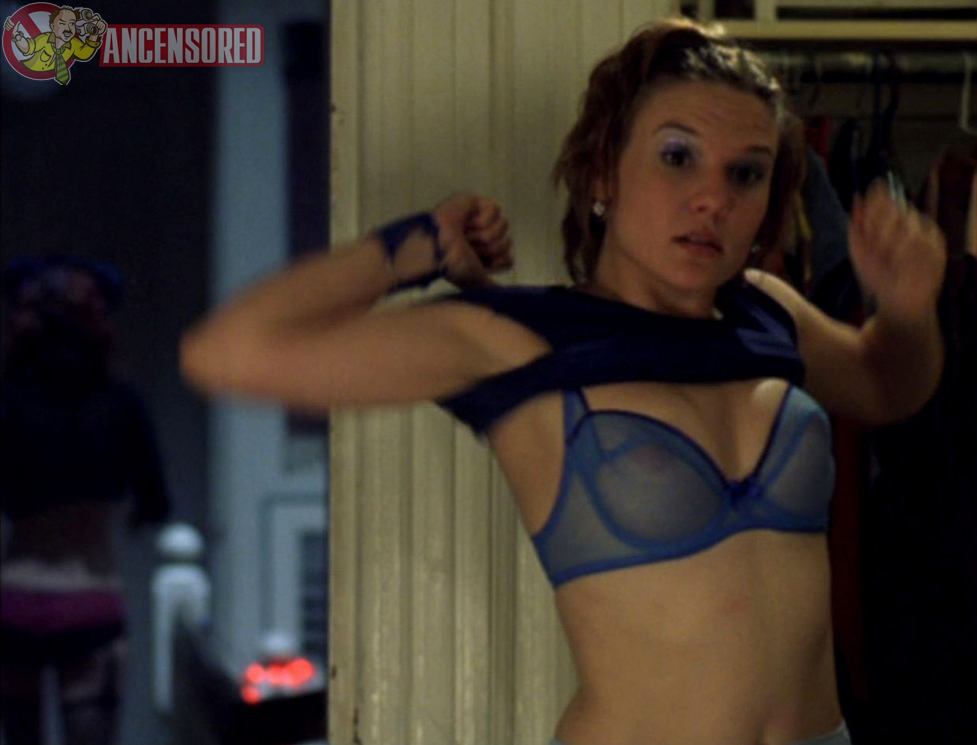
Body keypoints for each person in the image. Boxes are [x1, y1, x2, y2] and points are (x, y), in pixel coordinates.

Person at [180, 18, 946, 745]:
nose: (713, 198)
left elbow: (887, 387)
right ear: (602, 169)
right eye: (676, 156)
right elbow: (230, 352)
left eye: (744, 173)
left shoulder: (766, 311)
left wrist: (909, 311)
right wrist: (419, 244)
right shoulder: (521, 338)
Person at [0, 255, 170, 745]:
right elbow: (154, 503)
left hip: (14, 599)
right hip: (89, 597)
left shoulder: (8, 402)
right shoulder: (120, 404)